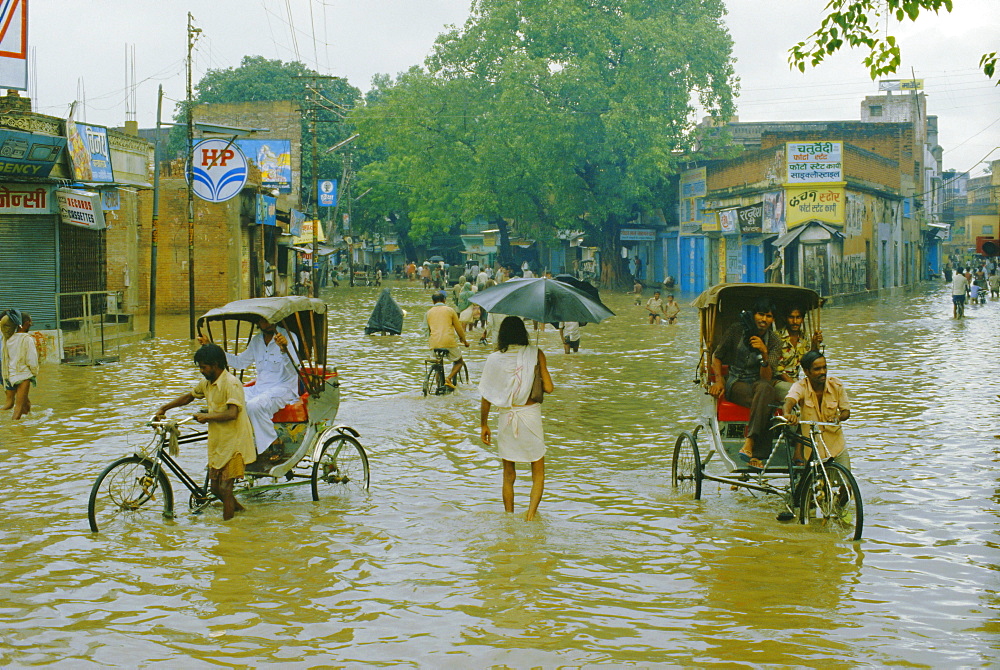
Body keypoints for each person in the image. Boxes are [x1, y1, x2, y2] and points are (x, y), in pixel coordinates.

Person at [154, 344, 256, 520]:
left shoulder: (231, 384)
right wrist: (164, 408)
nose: (201, 370)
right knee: (216, 490)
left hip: (236, 443)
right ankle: (240, 512)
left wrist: (207, 417)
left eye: (204, 367)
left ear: (215, 365)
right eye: (200, 367)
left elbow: (233, 413)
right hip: (219, 441)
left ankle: (229, 532)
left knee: (225, 489)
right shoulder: (207, 383)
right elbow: (189, 397)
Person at [478, 316, 553, 521]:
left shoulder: (494, 358)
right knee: (537, 471)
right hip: (531, 416)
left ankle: (509, 519)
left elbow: (486, 396)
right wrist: (536, 369)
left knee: (508, 473)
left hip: (507, 418)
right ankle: (530, 517)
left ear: (502, 335)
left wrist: (484, 425)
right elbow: (549, 388)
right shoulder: (535, 354)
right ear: (524, 333)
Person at [198, 316, 300, 462]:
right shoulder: (257, 341)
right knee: (229, 399)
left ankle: (274, 442)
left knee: (253, 406)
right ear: (258, 322)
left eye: (270, 319)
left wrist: (284, 349)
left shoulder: (289, 337)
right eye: (263, 320)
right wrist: (212, 347)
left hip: (284, 388)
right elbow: (240, 363)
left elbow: (294, 369)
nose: (267, 323)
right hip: (260, 387)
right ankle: (236, 442)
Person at [708, 299, 781, 469]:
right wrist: (719, 380)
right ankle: (758, 453)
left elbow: (766, 377)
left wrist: (764, 352)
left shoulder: (775, 341)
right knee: (767, 401)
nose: (764, 319)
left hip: (759, 384)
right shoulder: (736, 330)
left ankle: (749, 443)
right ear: (753, 315)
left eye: (768, 316)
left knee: (766, 390)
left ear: (773, 320)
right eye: (761, 314)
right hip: (736, 382)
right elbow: (717, 356)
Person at [781, 350, 851, 470]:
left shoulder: (836, 385)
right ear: (807, 372)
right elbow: (790, 401)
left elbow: (846, 412)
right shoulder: (800, 386)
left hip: (836, 445)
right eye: (817, 369)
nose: (823, 372)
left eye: (824, 368)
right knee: (817, 486)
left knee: (848, 485)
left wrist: (838, 418)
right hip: (812, 447)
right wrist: (787, 414)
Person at [773, 305, 823, 398]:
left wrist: (815, 344)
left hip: (796, 380)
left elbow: (809, 362)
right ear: (785, 318)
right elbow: (778, 370)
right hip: (778, 382)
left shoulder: (804, 339)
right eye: (791, 317)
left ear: (802, 319)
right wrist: (796, 385)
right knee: (799, 393)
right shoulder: (777, 337)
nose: (795, 322)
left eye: (798, 317)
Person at [424, 291, 469, 388]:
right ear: (444, 300)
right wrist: (464, 341)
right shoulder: (450, 310)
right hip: (448, 342)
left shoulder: (428, 312)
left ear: (433, 301)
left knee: (438, 364)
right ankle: (448, 378)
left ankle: (438, 386)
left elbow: (426, 330)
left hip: (434, 343)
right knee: (459, 361)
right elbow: (459, 329)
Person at [2, 310, 38, 420]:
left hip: (12, 376)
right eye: (30, 321)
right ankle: (16, 432)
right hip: (23, 376)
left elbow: (7, 359)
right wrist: (34, 373)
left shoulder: (9, 339)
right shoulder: (27, 339)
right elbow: (32, 360)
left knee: (26, 404)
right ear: (26, 323)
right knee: (18, 410)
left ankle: (28, 422)